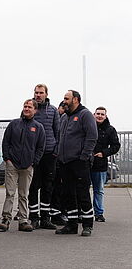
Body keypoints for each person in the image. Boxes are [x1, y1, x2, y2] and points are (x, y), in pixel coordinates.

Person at [0, 99, 45, 232]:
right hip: (12, 164)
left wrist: (33, 162)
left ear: (35, 110)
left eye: (30, 107)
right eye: (25, 106)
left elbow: (41, 147)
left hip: (27, 166)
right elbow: (6, 142)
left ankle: (23, 220)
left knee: (24, 194)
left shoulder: (38, 127)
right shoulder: (14, 124)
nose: (26, 109)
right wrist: (7, 158)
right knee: (10, 192)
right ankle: (6, 219)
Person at [55, 90, 98, 237]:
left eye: (67, 98)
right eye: (64, 98)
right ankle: (71, 225)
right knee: (68, 194)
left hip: (79, 162)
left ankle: (87, 225)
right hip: (64, 162)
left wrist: (84, 156)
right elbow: (60, 138)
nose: (64, 101)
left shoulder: (85, 115)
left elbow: (92, 136)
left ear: (76, 99)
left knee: (82, 194)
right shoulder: (64, 118)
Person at [27, 84, 61, 230]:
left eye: (41, 93)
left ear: (46, 94)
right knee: (33, 187)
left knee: (48, 187)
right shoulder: (29, 109)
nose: (38, 95)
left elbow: (58, 132)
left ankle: (45, 218)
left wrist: (55, 151)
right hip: (34, 155)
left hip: (49, 154)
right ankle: (34, 218)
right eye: (36, 93)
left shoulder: (53, 110)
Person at [90, 106, 120, 222]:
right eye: (98, 114)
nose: (100, 116)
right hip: (86, 164)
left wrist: (104, 153)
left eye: (102, 114)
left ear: (105, 116)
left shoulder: (110, 130)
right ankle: (83, 213)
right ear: (94, 114)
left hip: (100, 165)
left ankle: (98, 213)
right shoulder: (88, 126)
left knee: (98, 190)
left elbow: (116, 146)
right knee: (83, 190)